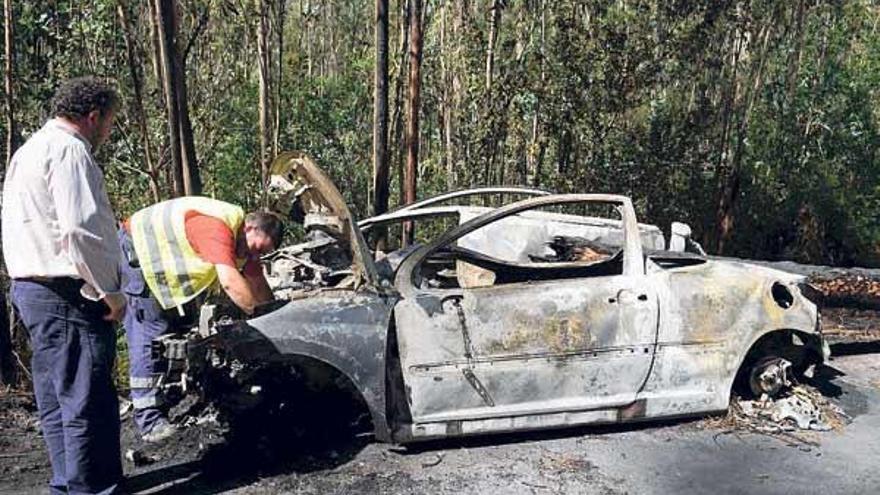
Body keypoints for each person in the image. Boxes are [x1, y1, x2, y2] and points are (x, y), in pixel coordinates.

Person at [2, 77, 125, 494]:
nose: (107, 132)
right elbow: (80, 230)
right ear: (93, 116)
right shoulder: (71, 151)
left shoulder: (28, 151)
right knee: (87, 402)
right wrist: (110, 290)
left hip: (30, 289)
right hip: (68, 293)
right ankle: (93, 489)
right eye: (108, 123)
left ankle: (67, 485)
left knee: (57, 400)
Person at [117, 198, 283, 441]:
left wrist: (276, 316)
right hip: (138, 255)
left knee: (174, 333)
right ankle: (149, 419)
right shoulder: (216, 228)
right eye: (258, 249)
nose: (256, 256)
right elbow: (229, 281)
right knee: (151, 333)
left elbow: (257, 283)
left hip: (159, 268)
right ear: (250, 228)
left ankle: (166, 398)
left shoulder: (243, 244)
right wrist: (258, 322)